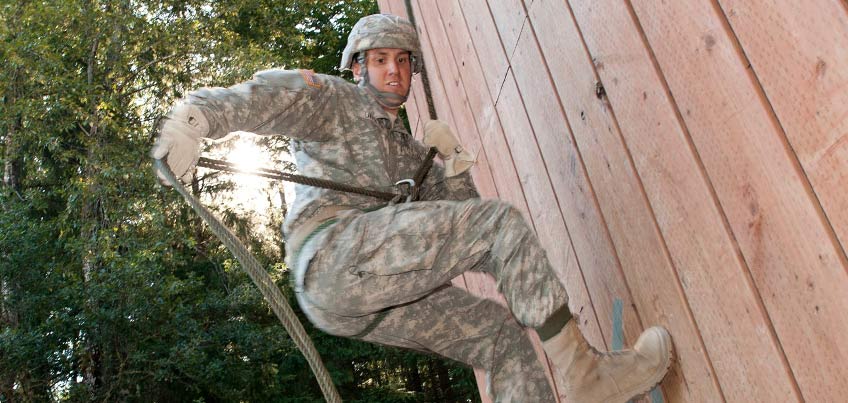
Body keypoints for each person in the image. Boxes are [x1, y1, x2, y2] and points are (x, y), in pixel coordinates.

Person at [152, 14, 673, 403]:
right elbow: (269, 97)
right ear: (357, 67)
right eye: (380, 59)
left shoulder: (407, 153)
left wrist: (451, 161)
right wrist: (193, 120)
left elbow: (472, 234)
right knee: (499, 224)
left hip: (363, 299)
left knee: (499, 337)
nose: (394, 71)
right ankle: (587, 378)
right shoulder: (333, 99)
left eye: (403, 61)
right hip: (333, 255)